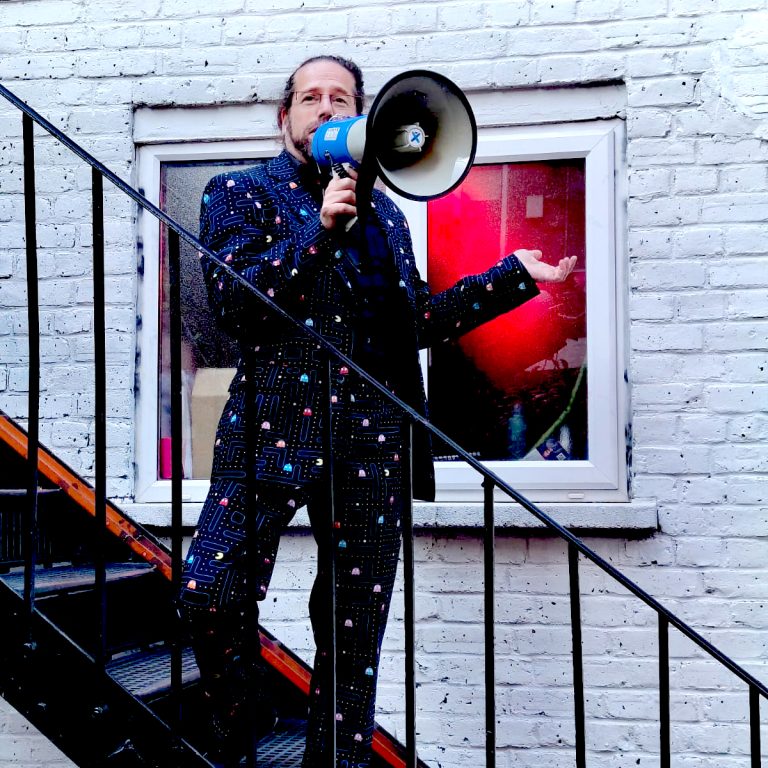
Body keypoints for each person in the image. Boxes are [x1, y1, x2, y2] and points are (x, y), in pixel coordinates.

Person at [178, 55, 576, 768]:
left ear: (362, 116)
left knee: (352, 639)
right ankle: (237, 737)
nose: (326, 108)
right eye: (311, 98)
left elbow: (415, 320)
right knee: (209, 590)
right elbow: (236, 304)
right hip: (271, 429)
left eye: (341, 98)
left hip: (371, 440)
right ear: (286, 118)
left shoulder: (387, 214)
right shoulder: (239, 192)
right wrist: (320, 231)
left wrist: (511, 276)